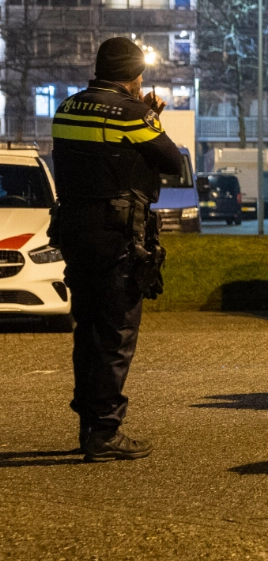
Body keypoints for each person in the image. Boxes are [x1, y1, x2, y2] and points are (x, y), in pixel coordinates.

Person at [51, 37, 184, 462]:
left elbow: (95, 155)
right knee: (116, 332)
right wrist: (151, 116)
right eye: (139, 73)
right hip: (118, 235)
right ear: (130, 74)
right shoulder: (133, 113)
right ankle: (105, 432)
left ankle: (88, 426)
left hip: (75, 232)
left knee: (87, 329)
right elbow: (171, 161)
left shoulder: (67, 108)